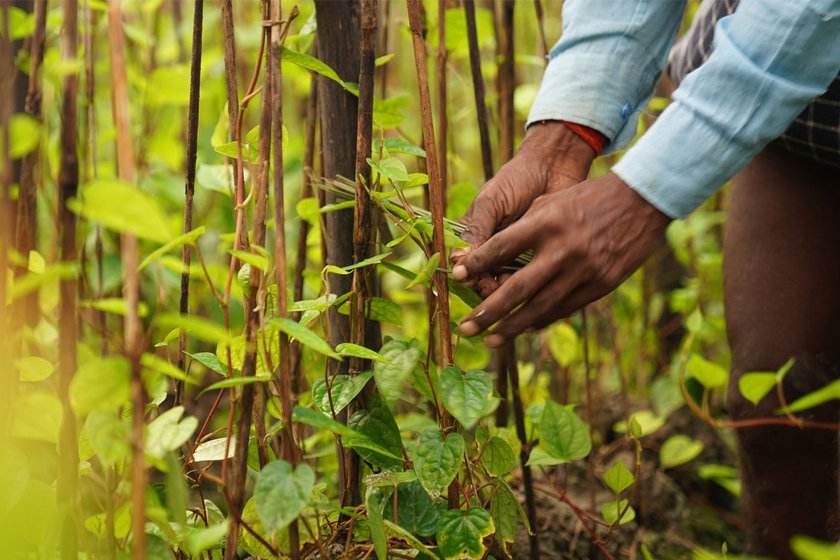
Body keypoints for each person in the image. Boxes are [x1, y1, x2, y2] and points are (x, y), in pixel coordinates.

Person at [450, 1, 840, 558]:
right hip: (809, 121)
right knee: (777, 403)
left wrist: (644, 193)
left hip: (788, 50)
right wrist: (562, 136)